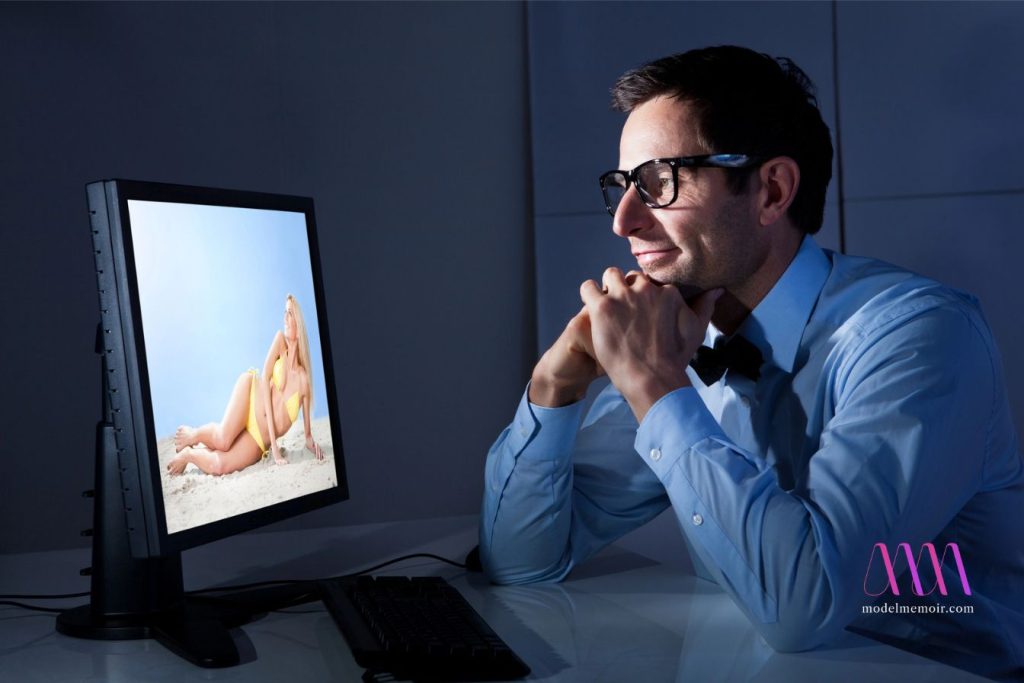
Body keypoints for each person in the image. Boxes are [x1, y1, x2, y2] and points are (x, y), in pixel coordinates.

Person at [479, 46, 1024, 676]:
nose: (624, 221)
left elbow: (804, 609)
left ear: (771, 190)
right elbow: (522, 562)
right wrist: (555, 385)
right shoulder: (686, 338)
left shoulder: (920, 334)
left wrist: (656, 389)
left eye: (659, 181)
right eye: (623, 187)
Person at [167, 294, 325, 476]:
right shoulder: (280, 341)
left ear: (299, 321)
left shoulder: (304, 381)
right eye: (284, 312)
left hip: (258, 439)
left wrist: (313, 446)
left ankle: (189, 454)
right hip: (251, 394)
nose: (285, 318)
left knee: (220, 467)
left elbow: (307, 437)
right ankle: (194, 434)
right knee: (223, 440)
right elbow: (265, 380)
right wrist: (274, 447)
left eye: (289, 313)